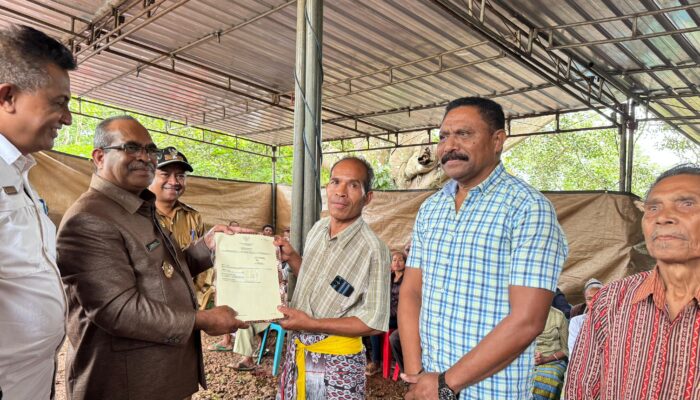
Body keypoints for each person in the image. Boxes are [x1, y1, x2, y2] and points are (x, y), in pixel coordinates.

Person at [56, 115, 250, 400]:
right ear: (99, 157)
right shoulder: (91, 218)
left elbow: (161, 271)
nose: (145, 158)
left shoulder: (135, 207)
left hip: (154, 376)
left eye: (150, 151)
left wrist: (206, 247)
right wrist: (202, 319)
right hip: (125, 383)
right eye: (131, 148)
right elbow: (118, 310)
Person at [399, 97, 568, 399]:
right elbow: (412, 293)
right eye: (443, 137)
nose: (449, 145)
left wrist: (445, 384)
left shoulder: (528, 208)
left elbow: (527, 320)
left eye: (463, 134)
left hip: (490, 391)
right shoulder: (431, 208)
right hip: (429, 382)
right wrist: (416, 376)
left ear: (497, 140)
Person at [566, 164, 700, 399]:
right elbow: (582, 391)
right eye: (653, 208)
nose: (663, 218)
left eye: (686, 204)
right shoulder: (610, 301)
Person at [274, 156, 391, 399]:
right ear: (326, 188)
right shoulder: (318, 229)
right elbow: (315, 277)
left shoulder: (374, 249)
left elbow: (374, 322)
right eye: (335, 182)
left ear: (367, 197)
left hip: (338, 362)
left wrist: (312, 324)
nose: (341, 192)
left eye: (353, 185)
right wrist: (293, 257)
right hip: (298, 349)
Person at [0, 24, 75, 399]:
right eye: (59, 102)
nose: (68, 118)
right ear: (8, 97)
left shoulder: (17, 171)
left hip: (31, 377)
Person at [148, 146, 210, 309]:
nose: (174, 182)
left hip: (188, 307)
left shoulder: (193, 217)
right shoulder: (137, 215)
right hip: (152, 309)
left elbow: (203, 268)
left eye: (180, 176)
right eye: (165, 174)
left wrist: (198, 303)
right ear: (149, 175)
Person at [367, 251, 406, 376]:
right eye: (394, 260)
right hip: (388, 314)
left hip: (400, 317)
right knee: (370, 321)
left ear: (405, 263)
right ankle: (374, 358)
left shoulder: (407, 280)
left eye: (400, 260)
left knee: (375, 324)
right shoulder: (389, 278)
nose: (397, 262)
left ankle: (376, 362)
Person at [532, 307, 569, 400]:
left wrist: (545, 359)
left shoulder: (558, 316)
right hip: (526, 360)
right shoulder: (522, 314)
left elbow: (565, 349)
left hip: (553, 361)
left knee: (547, 380)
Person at [567, 278, 602, 353]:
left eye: (597, 297)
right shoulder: (576, 321)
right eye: (589, 299)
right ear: (585, 301)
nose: (593, 302)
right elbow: (573, 351)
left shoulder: (612, 319)